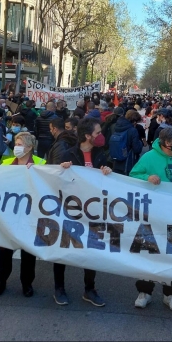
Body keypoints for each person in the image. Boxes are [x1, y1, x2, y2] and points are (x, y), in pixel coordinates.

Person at [129, 127, 172, 311]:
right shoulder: (149, 157)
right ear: (167, 143)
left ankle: (171, 294)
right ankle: (144, 292)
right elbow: (133, 176)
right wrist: (147, 177)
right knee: (148, 254)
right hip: (152, 216)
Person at [57, 118, 110, 307]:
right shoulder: (68, 154)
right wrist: (60, 170)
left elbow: (110, 180)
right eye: (97, 133)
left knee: (91, 248)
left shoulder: (100, 154)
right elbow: (52, 178)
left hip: (93, 210)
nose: (100, 136)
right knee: (62, 247)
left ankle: (89, 289)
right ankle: (59, 288)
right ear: (87, 136)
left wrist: (107, 171)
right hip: (70, 209)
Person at [0, 132, 43, 298]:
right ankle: (2, 280)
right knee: (5, 248)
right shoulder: (6, 163)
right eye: (16, 143)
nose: (16, 147)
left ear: (29, 147)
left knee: (28, 250)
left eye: (20, 144)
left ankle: (27, 282)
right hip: (9, 213)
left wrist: (36, 172)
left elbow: (46, 185)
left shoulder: (41, 163)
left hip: (30, 213)